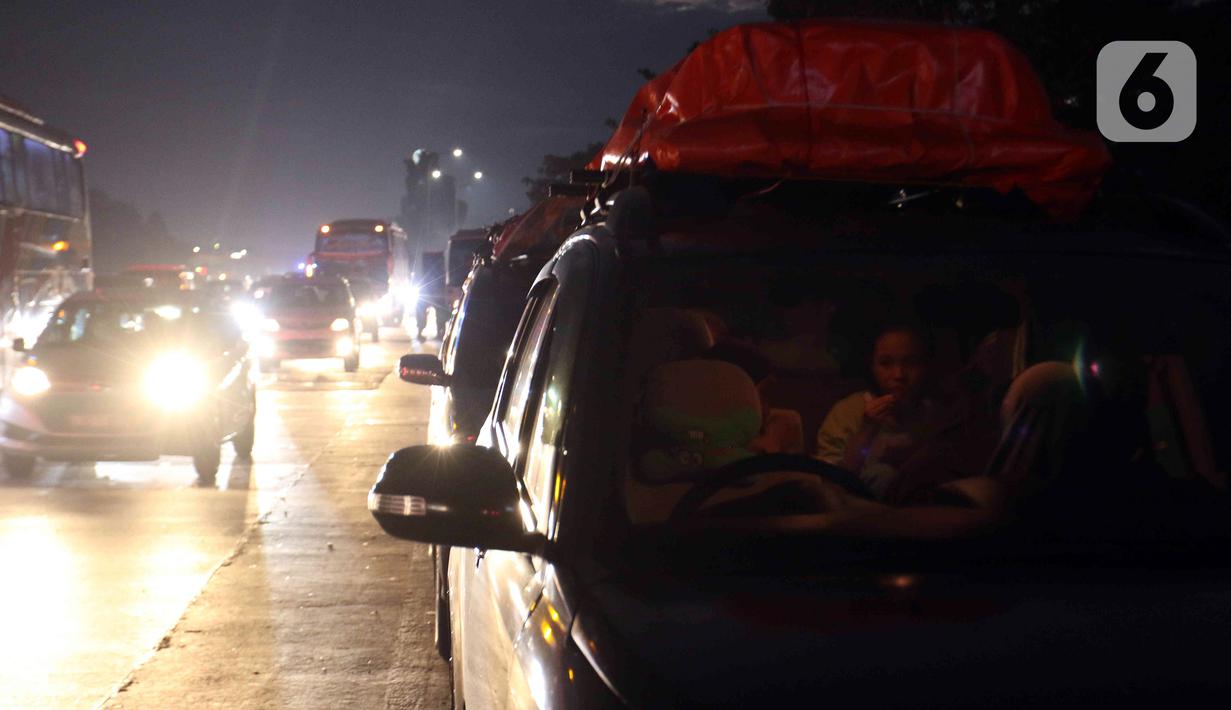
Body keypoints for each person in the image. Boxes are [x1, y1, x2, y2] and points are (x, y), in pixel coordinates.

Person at [816, 323, 948, 500]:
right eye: (886, 363)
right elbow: (832, 482)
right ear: (872, 366)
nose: (899, 375)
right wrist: (867, 430)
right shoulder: (847, 412)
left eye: (910, 363)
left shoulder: (936, 414)